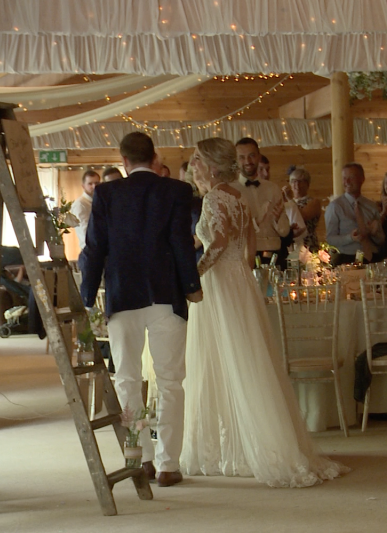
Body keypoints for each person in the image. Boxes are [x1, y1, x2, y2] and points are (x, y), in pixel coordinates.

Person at [180, 137, 347, 486]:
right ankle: (247, 441)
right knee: (246, 358)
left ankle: (236, 447)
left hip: (221, 284)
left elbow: (222, 239)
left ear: (211, 165)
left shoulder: (214, 197)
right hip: (238, 282)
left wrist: (194, 276)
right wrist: (240, 273)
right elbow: (249, 243)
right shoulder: (237, 196)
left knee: (226, 357)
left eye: (196, 160)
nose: (192, 165)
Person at [79, 132, 202, 487]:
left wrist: (88, 297)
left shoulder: (105, 193)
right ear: (155, 157)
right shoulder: (177, 191)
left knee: (128, 380)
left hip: (123, 296)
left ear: (124, 161)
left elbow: (94, 249)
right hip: (167, 295)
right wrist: (192, 288)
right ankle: (168, 465)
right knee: (170, 382)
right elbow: (181, 244)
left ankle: (138, 458)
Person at [235, 137, 290, 266]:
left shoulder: (273, 188)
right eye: (242, 157)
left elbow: (285, 231)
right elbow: (233, 230)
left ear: (259, 156)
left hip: (275, 256)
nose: (247, 161)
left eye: (251, 156)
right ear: (235, 160)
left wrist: (277, 220)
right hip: (245, 257)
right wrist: (256, 220)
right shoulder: (232, 190)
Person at [324, 162, 384, 265]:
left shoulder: (371, 206)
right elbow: (330, 239)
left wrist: (374, 234)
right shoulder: (335, 207)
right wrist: (350, 238)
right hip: (346, 260)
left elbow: (381, 240)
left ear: (362, 179)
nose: (346, 181)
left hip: (372, 259)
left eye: (351, 177)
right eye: (344, 178)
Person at [286, 166, 321, 251]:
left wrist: (289, 200)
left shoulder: (313, 202)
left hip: (308, 245)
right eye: (294, 181)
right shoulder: (286, 203)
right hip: (290, 244)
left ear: (307, 184)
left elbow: (300, 216)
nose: (297, 185)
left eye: (301, 181)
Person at [70, 168, 99, 248]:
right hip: (90, 249)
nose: (94, 186)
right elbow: (85, 231)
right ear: (83, 186)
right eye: (90, 184)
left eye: (97, 183)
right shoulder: (80, 204)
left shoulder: (99, 201)